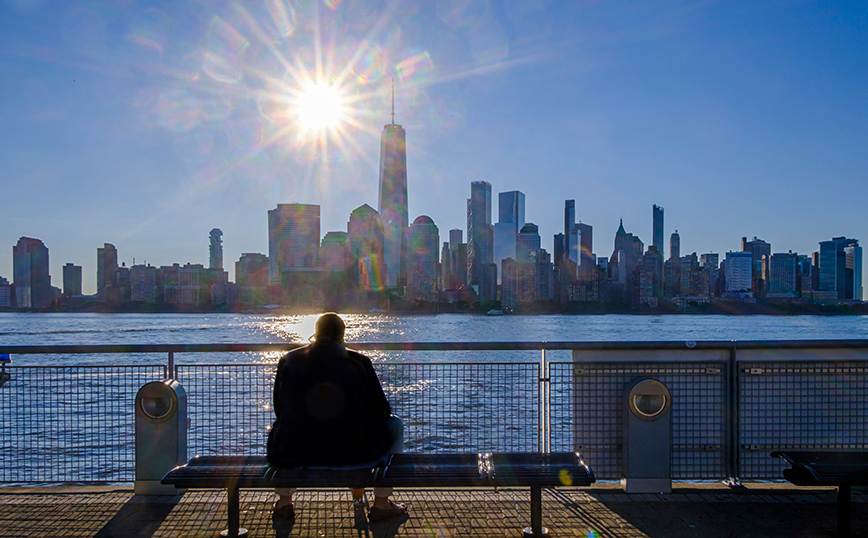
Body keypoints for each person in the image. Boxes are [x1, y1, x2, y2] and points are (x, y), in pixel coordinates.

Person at [267, 312, 407, 522]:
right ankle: (381, 502)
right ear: (342, 336)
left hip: (296, 455)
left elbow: (280, 410)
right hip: (354, 454)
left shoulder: (288, 360)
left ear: (315, 333)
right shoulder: (359, 362)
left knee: (289, 427)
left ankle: (285, 501)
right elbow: (382, 413)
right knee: (395, 425)